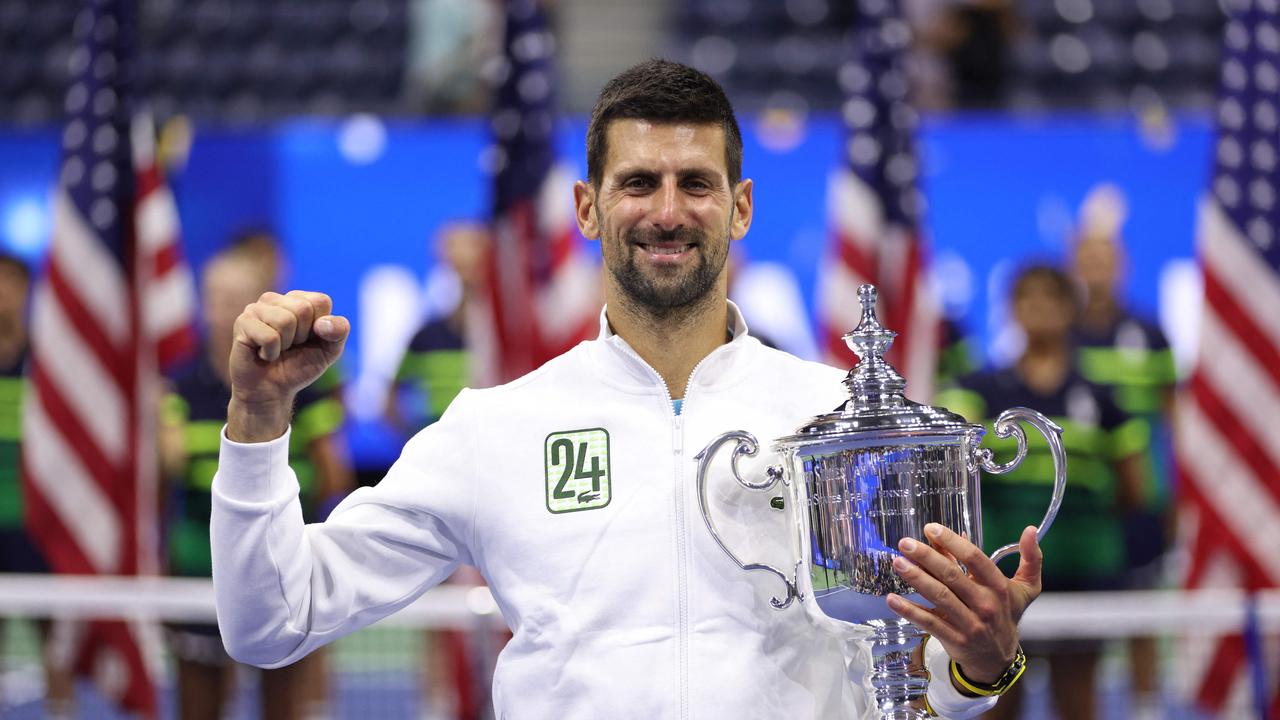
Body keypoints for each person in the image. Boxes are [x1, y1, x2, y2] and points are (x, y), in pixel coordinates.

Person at [211, 59, 1041, 719]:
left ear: (741, 207)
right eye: (639, 183)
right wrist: (258, 416)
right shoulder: (499, 427)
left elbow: (910, 680)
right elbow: (270, 621)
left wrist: (981, 666)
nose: (668, 211)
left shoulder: (835, 419)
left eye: (697, 183)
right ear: (587, 207)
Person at [935, 265, 1148, 720]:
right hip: (999, 576)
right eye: (1028, 299)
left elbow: (1135, 488)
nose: (1040, 310)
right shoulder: (978, 390)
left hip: (1085, 574)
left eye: (1052, 299)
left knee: (1078, 699)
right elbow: (948, 470)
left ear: (1072, 310)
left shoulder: (1103, 395)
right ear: (1010, 309)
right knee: (994, 698)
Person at [161, 244, 352, 720]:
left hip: (282, 568)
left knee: (283, 707)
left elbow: (334, 473)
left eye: (235, 297)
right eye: (214, 296)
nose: (223, 307)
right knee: (197, 707)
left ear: (257, 304)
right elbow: (165, 470)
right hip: (194, 571)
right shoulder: (178, 384)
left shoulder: (304, 380)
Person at [1069, 185, 1175, 719]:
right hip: (1082, 506)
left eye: (1105, 258)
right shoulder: (1059, 336)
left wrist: (1172, 499)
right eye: (1087, 258)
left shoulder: (1150, 334)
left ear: (1123, 264)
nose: (1096, 268)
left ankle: (1146, 709)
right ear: (1073, 263)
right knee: (1070, 632)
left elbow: (1173, 421)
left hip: (1139, 502)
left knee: (1140, 611)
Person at [0, 254, 74, 717]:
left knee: (57, 644)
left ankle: (62, 711)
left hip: (38, 532)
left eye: (10, 284)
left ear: (27, 292)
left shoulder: (54, 365)